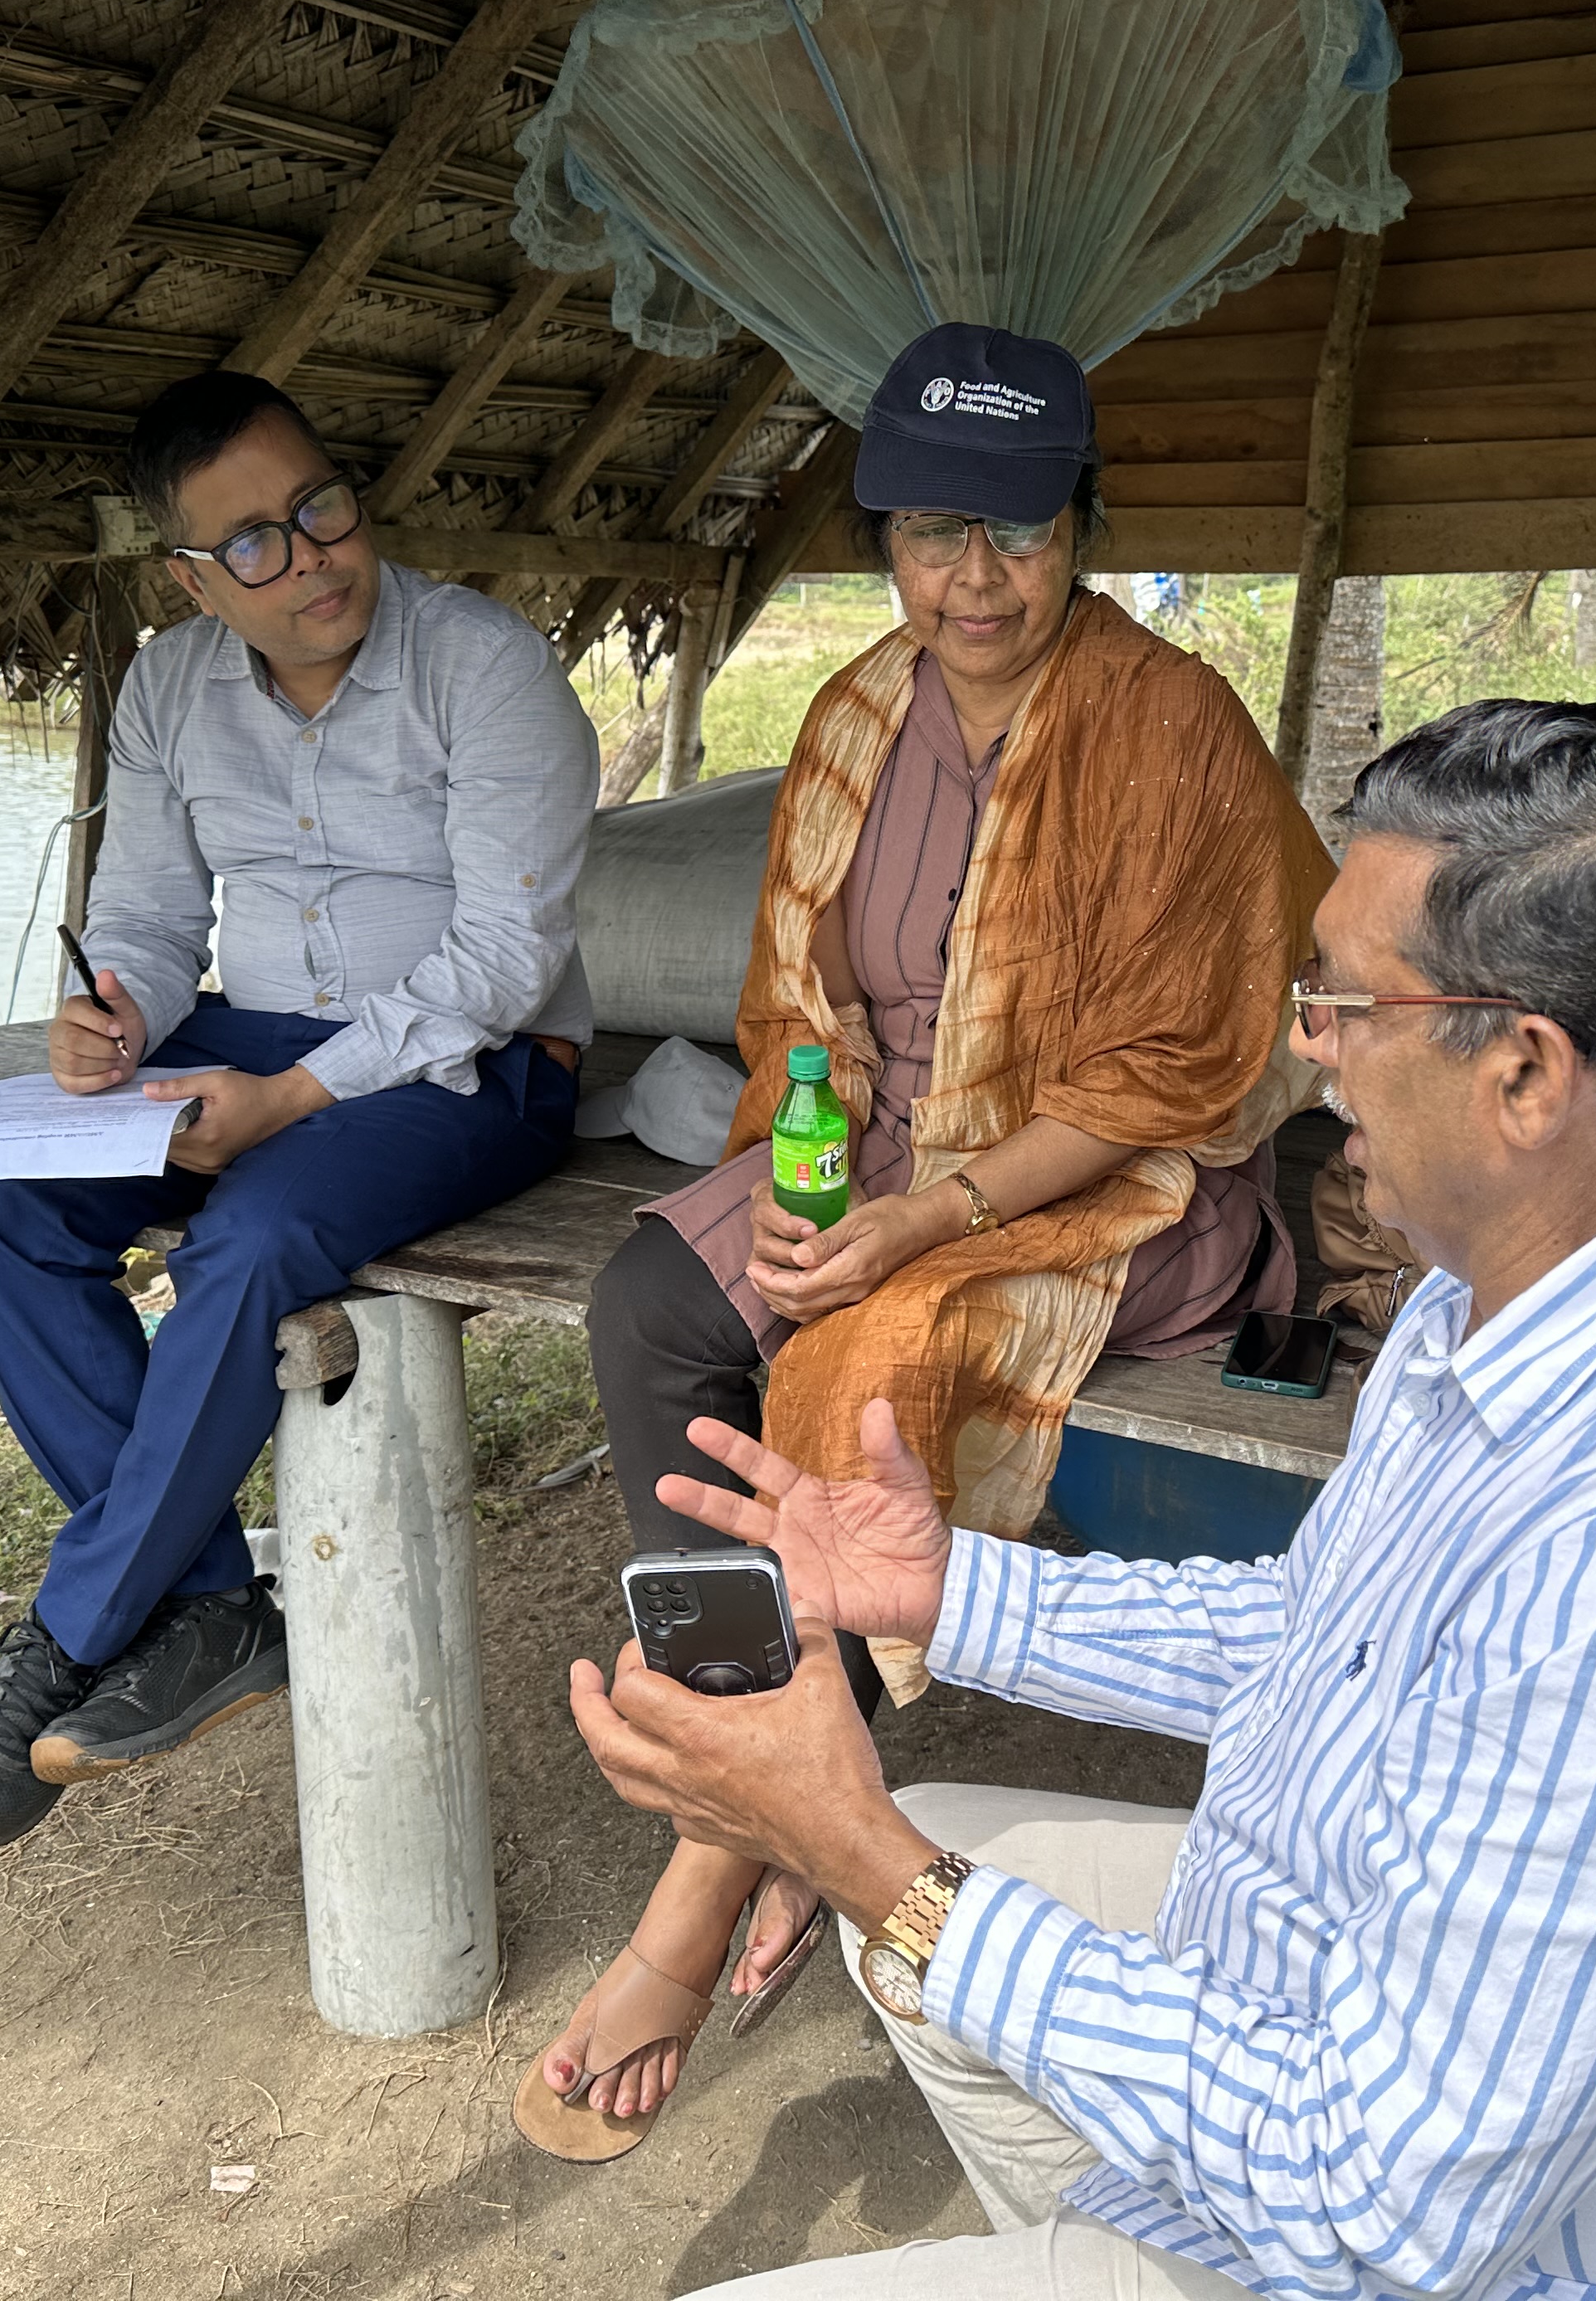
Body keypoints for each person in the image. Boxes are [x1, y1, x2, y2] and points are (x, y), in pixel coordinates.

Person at [567, 698, 1596, 2301]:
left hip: (1479, 2241)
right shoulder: (1518, 1290)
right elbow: (1324, 1626)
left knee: (914, 1910)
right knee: (922, 1924)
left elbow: (1380, 2204)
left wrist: (863, 1855)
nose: (1304, 1046)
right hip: (1360, 2015)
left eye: (1338, 1000)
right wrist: (953, 1596)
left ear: (1527, 1073)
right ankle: (1115, 2242)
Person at [517, 324, 1339, 2159]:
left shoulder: (1172, 725)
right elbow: (806, 1004)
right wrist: (819, 1168)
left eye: (1020, 533)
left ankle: (726, 1847)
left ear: (1082, 527)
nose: (976, 579)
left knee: (854, 1354)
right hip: (884, 1154)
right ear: (882, 537)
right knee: (658, 1296)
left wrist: (919, 1221)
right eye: (930, 534)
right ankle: (788, 1738)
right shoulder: (856, 715)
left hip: (1108, 1187)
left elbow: (1171, 1069)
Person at [0, 370, 597, 1853]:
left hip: (481, 1067)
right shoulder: (169, 689)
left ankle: (73, 1626)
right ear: (188, 579)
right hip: (256, 1041)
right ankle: (206, 1610)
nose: (308, 557)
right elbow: (156, 921)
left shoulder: (486, 669)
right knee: (5, 1200)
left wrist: (288, 1098)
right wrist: (114, 1009)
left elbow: (502, 967)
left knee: (251, 1235)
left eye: (320, 507)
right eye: (252, 542)